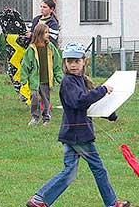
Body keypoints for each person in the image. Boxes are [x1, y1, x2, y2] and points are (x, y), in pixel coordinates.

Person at [26, 42, 130, 207]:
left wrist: (110, 114)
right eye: (69, 61)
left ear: (84, 61)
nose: (73, 65)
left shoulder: (80, 81)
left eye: (76, 61)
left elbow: (91, 104)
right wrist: (102, 89)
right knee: (99, 169)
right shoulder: (68, 82)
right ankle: (112, 203)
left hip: (72, 134)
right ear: (65, 63)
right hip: (78, 135)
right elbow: (80, 101)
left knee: (69, 172)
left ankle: (39, 200)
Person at [21, 23, 63, 126]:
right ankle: (35, 117)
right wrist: (24, 78)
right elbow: (25, 65)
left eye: (48, 32)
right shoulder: (31, 49)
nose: (48, 34)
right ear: (39, 34)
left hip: (46, 80)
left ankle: (46, 118)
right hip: (35, 80)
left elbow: (57, 64)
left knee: (46, 100)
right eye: (46, 32)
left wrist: (59, 77)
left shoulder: (51, 48)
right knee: (34, 98)